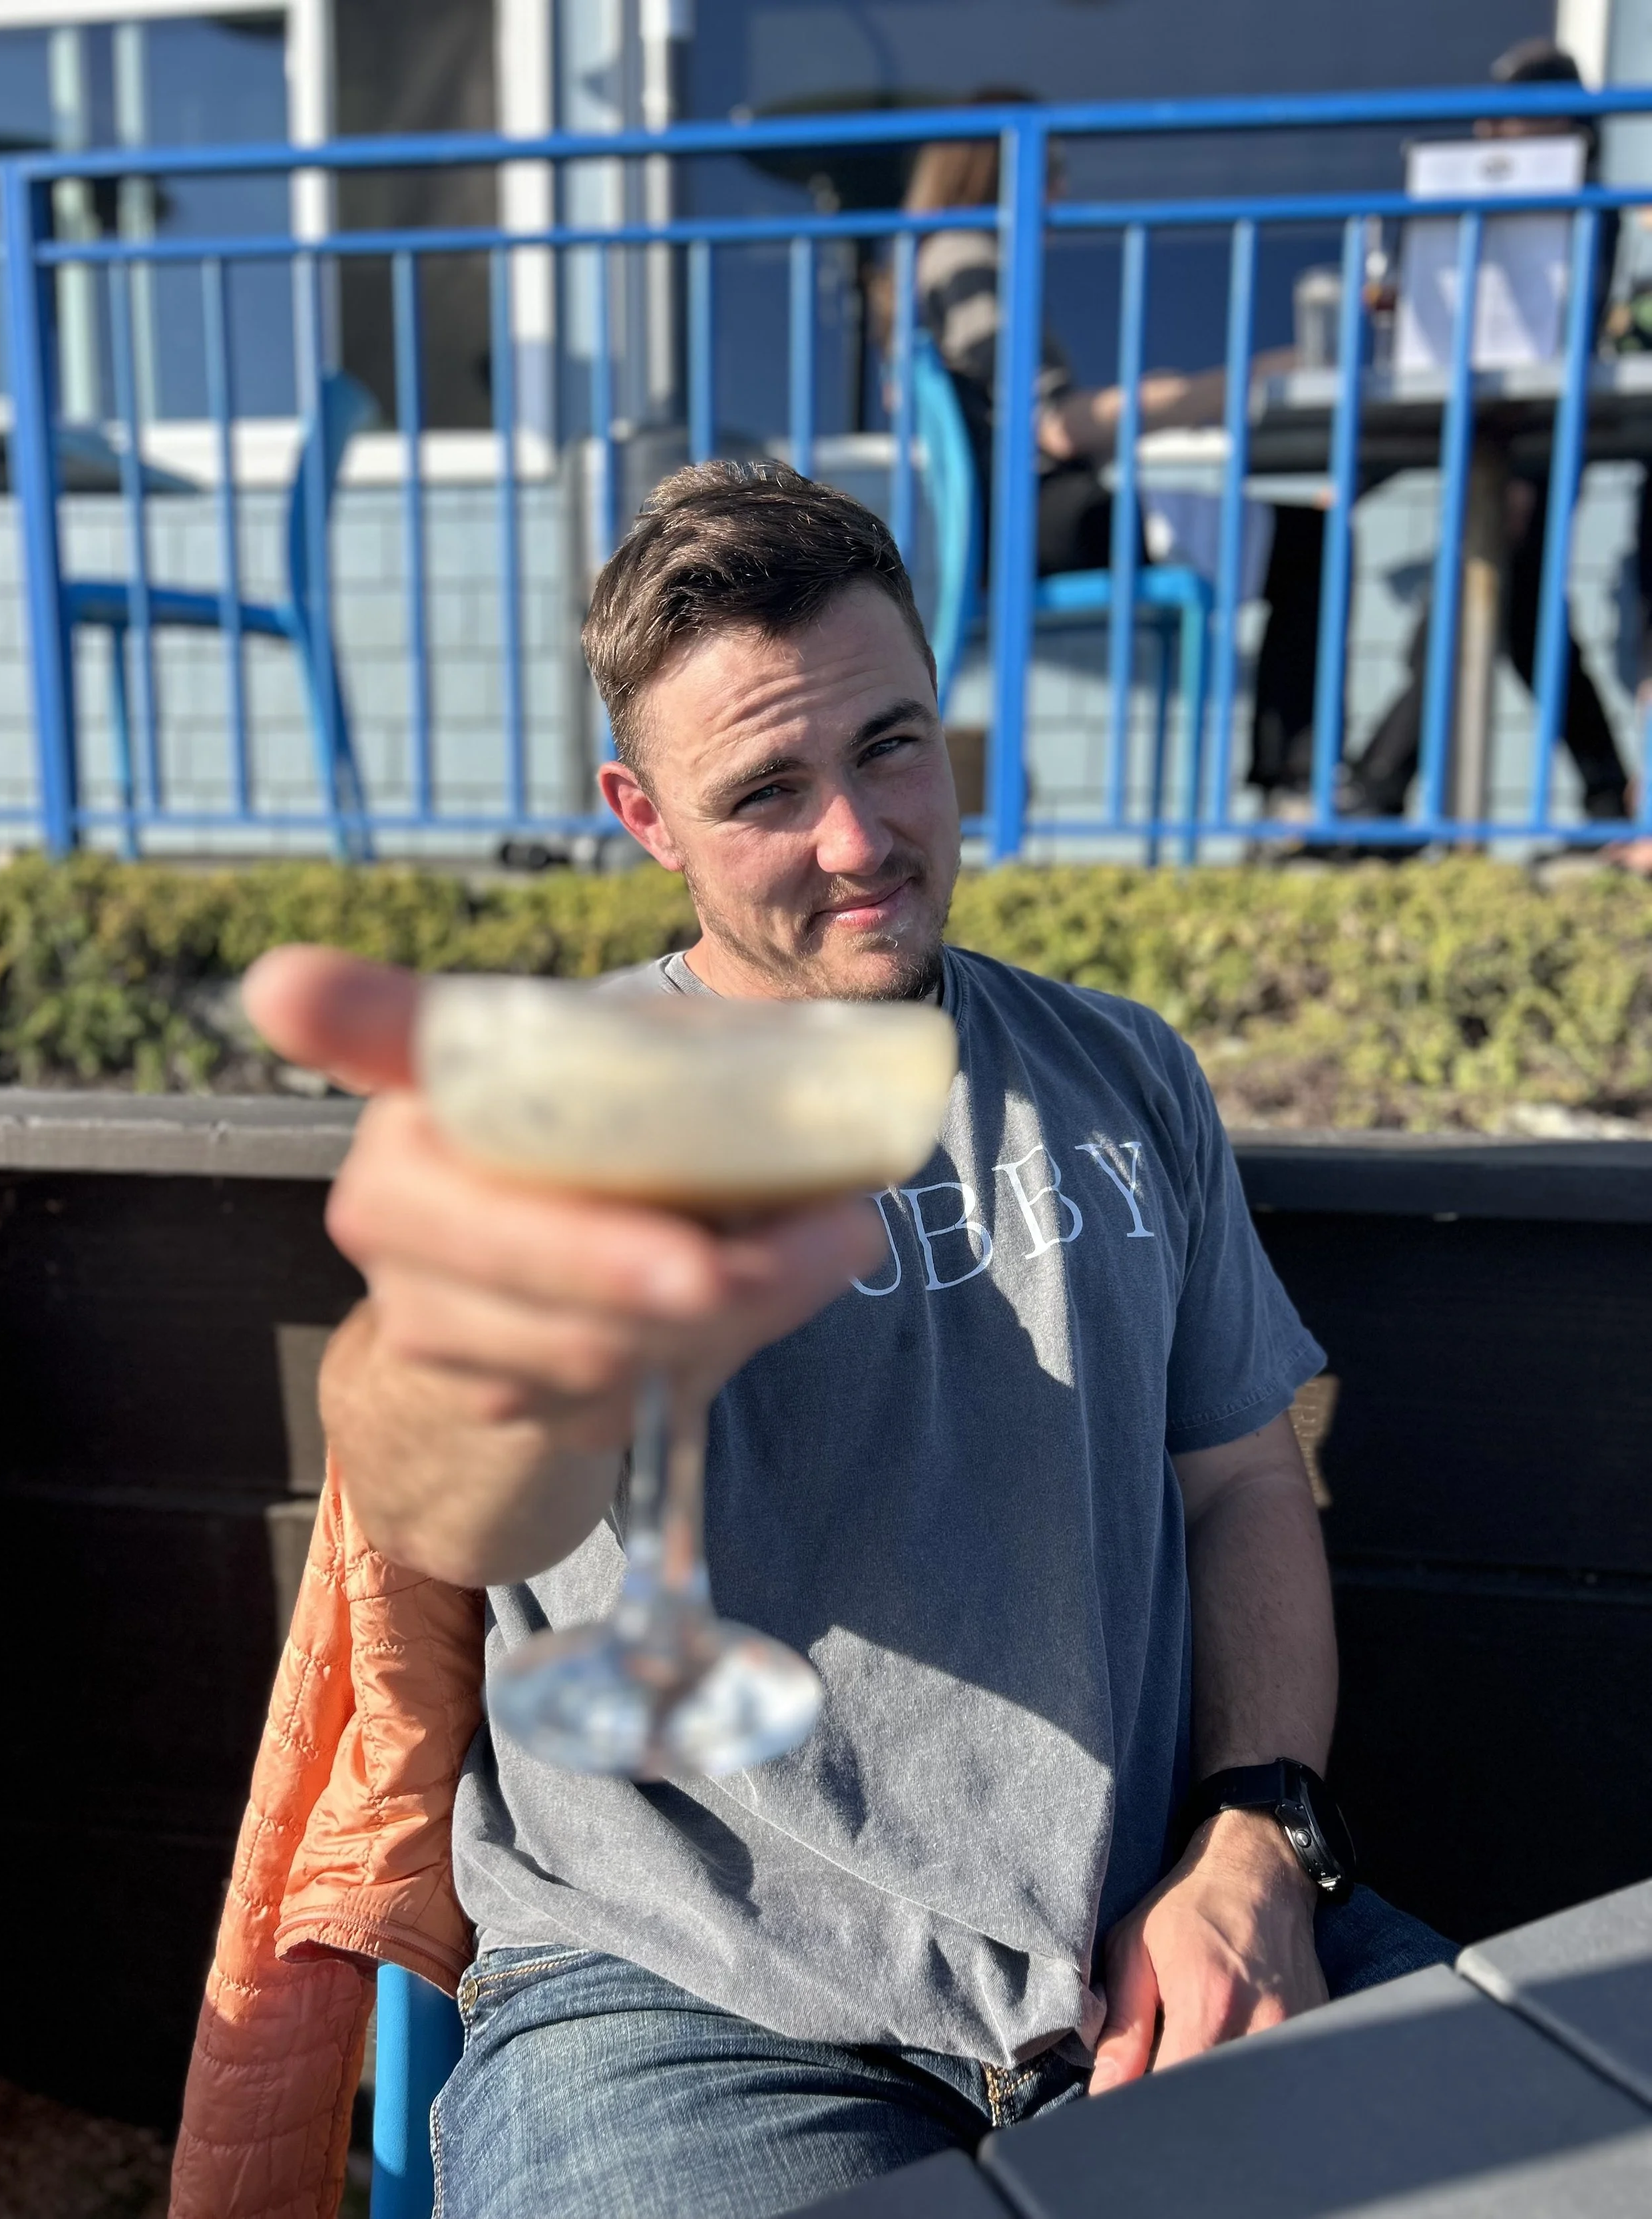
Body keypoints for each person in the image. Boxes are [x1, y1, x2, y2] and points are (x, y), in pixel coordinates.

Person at [245, 461, 1451, 2219]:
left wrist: (1258, 1835)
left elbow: (1240, 1482)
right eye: (762, 790)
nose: (856, 837)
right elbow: (459, 1487)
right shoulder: (559, 1106)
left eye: (890, 744)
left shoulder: (1122, 1071)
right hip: (685, 1998)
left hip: (1151, 1924)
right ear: (641, 816)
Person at [1253, 37, 1639, 828]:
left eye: (1514, 120)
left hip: (1535, 428)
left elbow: (1562, 327)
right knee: (1521, 613)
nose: (1494, 134)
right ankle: (1598, 789)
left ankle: (1378, 789)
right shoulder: (1476, 209)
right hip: (1488, 421)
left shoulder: (1585, 210)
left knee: (1479, 595)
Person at [903, 102, 1290, 577]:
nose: (1062, 190)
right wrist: (1234, 385)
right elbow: (1058, 426)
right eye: (1052, 169)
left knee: (1284, 536)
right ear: (996, 171)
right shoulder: (964, 253)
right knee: (1306, 543)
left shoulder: (957, 257)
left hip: (1030, 515)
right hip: (1038, 517)